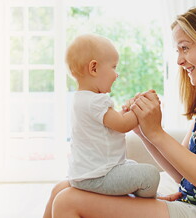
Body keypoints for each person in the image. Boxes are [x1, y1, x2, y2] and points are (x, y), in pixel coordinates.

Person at [47, 5, 196, 218]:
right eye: (177, 50)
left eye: (185, 48)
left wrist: (157, 133)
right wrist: (143, 130)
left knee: (68, 200)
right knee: (61, 189)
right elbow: (181, 175)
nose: (180, 60)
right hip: (190, 203)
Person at [43, 34, 160, 218]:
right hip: (100, 176)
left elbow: (112, 123)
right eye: (113, 67)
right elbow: (122, 125)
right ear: (94, 68)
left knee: (132, 165)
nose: (117, 74)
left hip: (83, 175)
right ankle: (147, 204)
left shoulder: (81, 99)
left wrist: (127, 112)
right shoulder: (97, 101)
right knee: (150, 175)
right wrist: (141, 108)